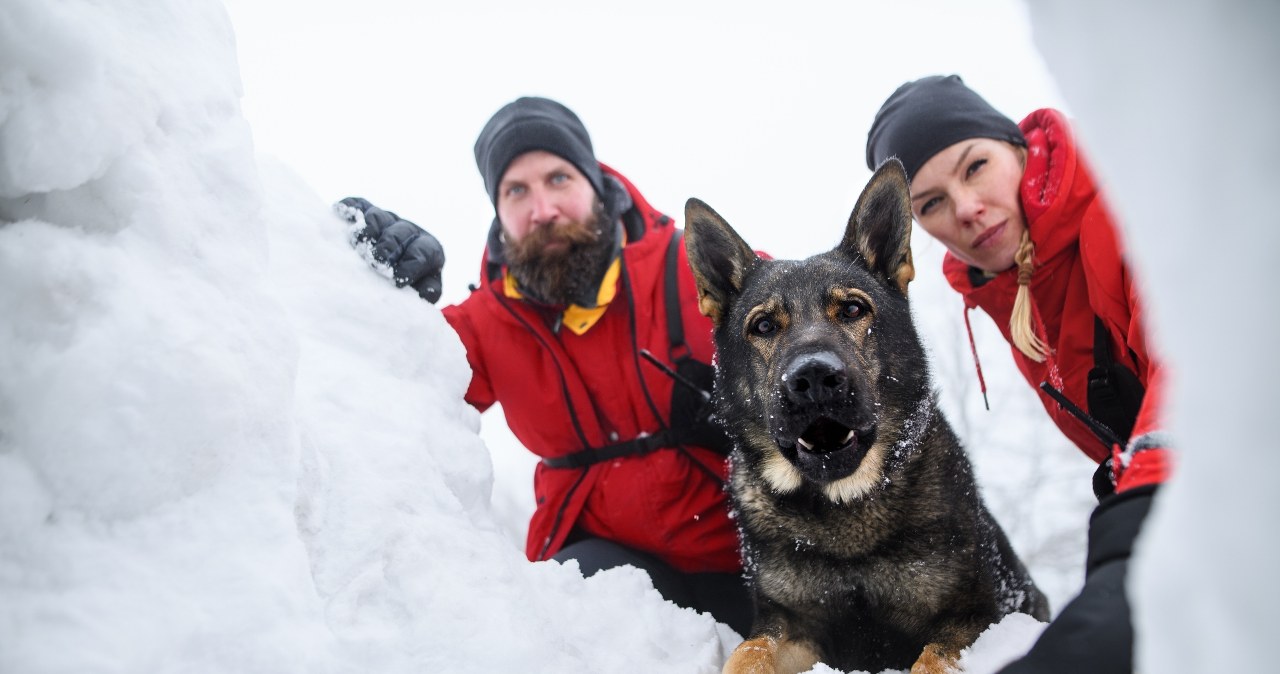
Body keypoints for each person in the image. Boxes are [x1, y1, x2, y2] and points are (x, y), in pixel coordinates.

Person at [339, 96, 751, 635]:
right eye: (516, 190)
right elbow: (385, 369)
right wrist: (360, 273)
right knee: (566, 624)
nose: (543, 209)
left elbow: (805, 325)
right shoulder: (488, 322)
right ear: (498, 212)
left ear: (595, 182)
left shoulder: (694, 270)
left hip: (752, 556)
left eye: (558, 179)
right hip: (607, 566)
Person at [865, 75, 1172, 673]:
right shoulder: (1016, 296)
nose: (966, 209)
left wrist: (1133, 544)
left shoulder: (1126, 208)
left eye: (975, 166)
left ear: (1016, 146)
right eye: (931, 204)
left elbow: (1195, 375)